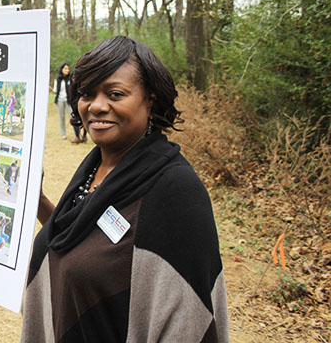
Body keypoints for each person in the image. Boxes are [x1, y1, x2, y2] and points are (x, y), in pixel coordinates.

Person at [21, 36, 229, 342]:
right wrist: (37, 201)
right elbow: (85, 241)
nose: (97, 106)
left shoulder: (174, 190)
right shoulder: (95, 168)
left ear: (150, 99)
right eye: (87, 94)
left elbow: (191, 316)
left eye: (115, 94)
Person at [50, 63, 73, 140]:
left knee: (72, 117)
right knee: (61, 117)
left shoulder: (70, 78)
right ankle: (63, 134)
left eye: (68, 69)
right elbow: (55, 91)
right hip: (59, 100)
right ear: (62, 69)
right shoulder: (58, 79)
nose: (67, 70)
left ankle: (77, 134)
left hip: (68, 100)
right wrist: (51, 90)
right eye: (65, 68)